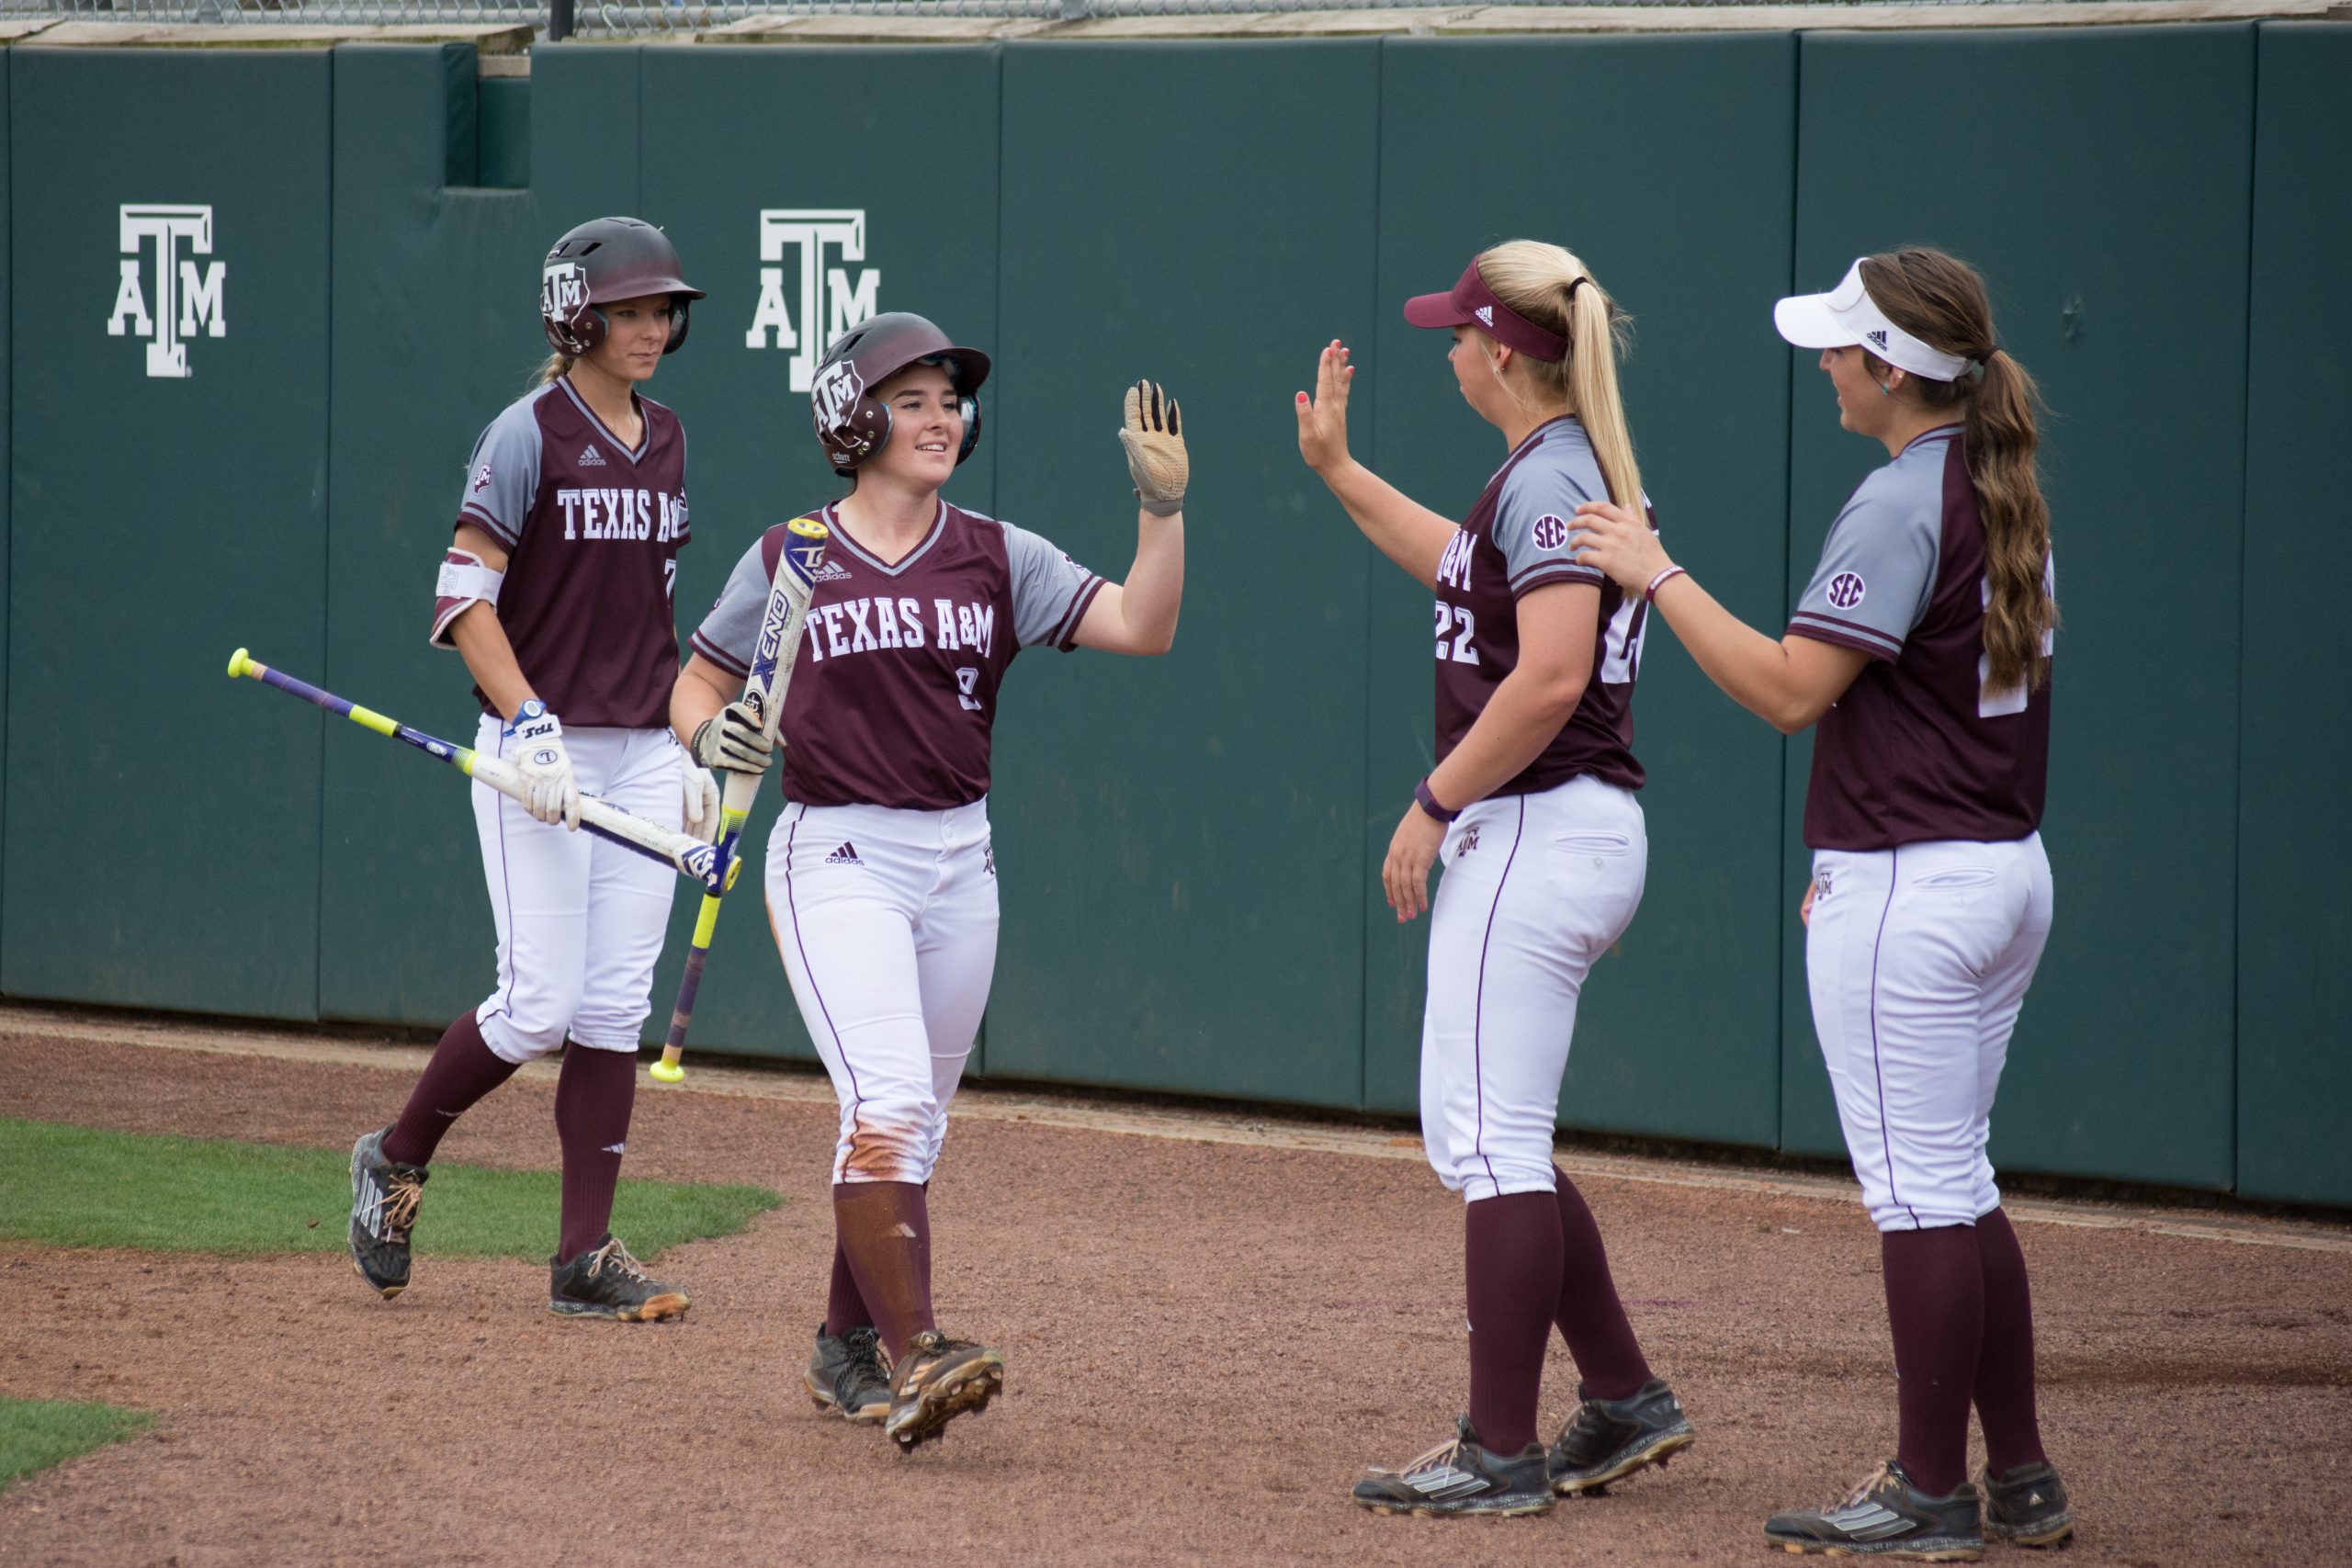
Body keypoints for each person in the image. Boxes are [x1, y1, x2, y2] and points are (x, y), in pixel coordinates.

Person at [1567, 247, 2069, 1558]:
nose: (1830, 366)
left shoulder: (1904, 493)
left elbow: (1790, 691)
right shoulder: (1989, 478)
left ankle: (1927, 1486)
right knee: (1958, 1182)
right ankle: (2014, 1474)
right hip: (1995, 869)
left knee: (1918, 1194)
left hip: (1919, 882)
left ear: (1895, 369)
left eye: (1844, 349)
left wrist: (1655, 571)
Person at [673, 312, 1188, 1451]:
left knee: (916, 1124)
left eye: (950, 397)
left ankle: (840, 1343)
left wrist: (1161, 512)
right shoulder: (793, 554)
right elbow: (695, 687)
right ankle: (918, 1354)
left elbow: (1145, 627)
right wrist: (714, 741)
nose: (942, 415)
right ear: (851, 419)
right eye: (911, 398)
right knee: (891, 1103)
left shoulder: (998, 553)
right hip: (837, 852)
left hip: (962, 860)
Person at [1296, 242, 1694, 1518]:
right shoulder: (1553, 470)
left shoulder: (1553, 475)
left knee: (1488, 1143)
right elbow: (1470, 578)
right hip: (1562, 827)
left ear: (1506, 353)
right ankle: (1624, 1393)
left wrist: (1431, 798)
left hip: (1533, 824)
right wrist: (1345, 475)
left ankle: (1500, 1446)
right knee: (1496, 1134)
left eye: (1458, 335)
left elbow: (1552, 672)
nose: (1449, 351)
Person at [346, 217, 720, 1324]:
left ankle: (583, 1257)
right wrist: (533, 723)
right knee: (538, 1000)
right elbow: (464, 601)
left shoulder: (671, 439)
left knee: (614, 1006)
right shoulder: (525, 435)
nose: (652, 327)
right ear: (577, 315)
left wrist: (684, 738)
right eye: (631, 309)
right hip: (539, 752)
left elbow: (643, 613)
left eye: (663, 310)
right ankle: (397, 1157)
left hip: (641, 749)